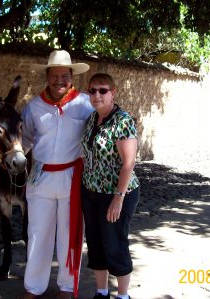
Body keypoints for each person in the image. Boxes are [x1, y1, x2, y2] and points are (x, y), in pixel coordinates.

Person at [20, 50, 94, 299]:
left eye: (64, 75)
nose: (59, 81)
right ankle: (33, 287)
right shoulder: (34, 106)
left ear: (72, 77)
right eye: (54, 76)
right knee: (38, 233)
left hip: (72, 179)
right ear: (47, 77)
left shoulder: (85, 104)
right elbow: (25, 141)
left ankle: (66, 286)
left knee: (68, 235)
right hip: (40, 179)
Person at [81, 73, 140, 299]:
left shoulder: (122, 121)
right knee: (95, 243)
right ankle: (101, 292)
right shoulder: (91, 119)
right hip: (92, 191)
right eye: (92, 90)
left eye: (102, 90)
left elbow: (128, 163)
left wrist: (118, 197)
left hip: (116, 193)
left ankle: (123, 295)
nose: (97, 95)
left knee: (114, 243)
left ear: (113, 93)